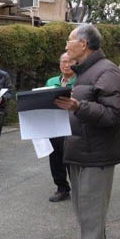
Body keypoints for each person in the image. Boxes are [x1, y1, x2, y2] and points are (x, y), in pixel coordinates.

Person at [54, 24, 120, 239]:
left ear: (84, 44)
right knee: (83, 204)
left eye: (70, 40)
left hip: (97, 153)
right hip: (81, 148)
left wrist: (79, 106)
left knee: (91, 205)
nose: (66, 45)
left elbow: (115, 116)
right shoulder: (86, 72)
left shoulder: (107, 72)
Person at [45, 53, 77, 203]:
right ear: (59, 64)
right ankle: (62, 188)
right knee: (55, 158)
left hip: (73, 126)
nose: (66, 64)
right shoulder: (51, 81)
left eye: (70, 61)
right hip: (54, 125)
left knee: (72, 159)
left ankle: (78, 190)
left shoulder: (81, 81)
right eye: (63, 61)